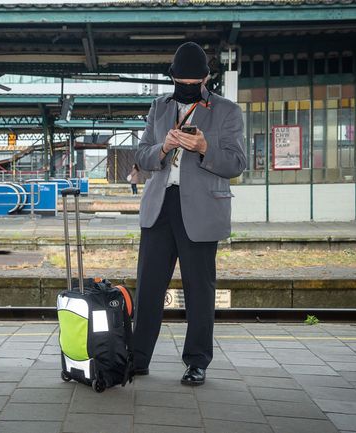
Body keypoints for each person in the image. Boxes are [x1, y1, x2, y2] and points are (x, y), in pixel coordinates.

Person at [133, 42, 246, 386]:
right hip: (160, 207)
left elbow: (237, 163)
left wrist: (204, 146)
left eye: (191, 82)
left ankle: (197, 361)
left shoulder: (227, 111)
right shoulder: (158, 107)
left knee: (200, 291)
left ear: (206, 78)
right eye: (179, 81)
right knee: (148, 288)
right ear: (172, 79)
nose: (184, 87)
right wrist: (163, 147)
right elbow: (141, 157)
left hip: (201, 210)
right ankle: (138, 359)